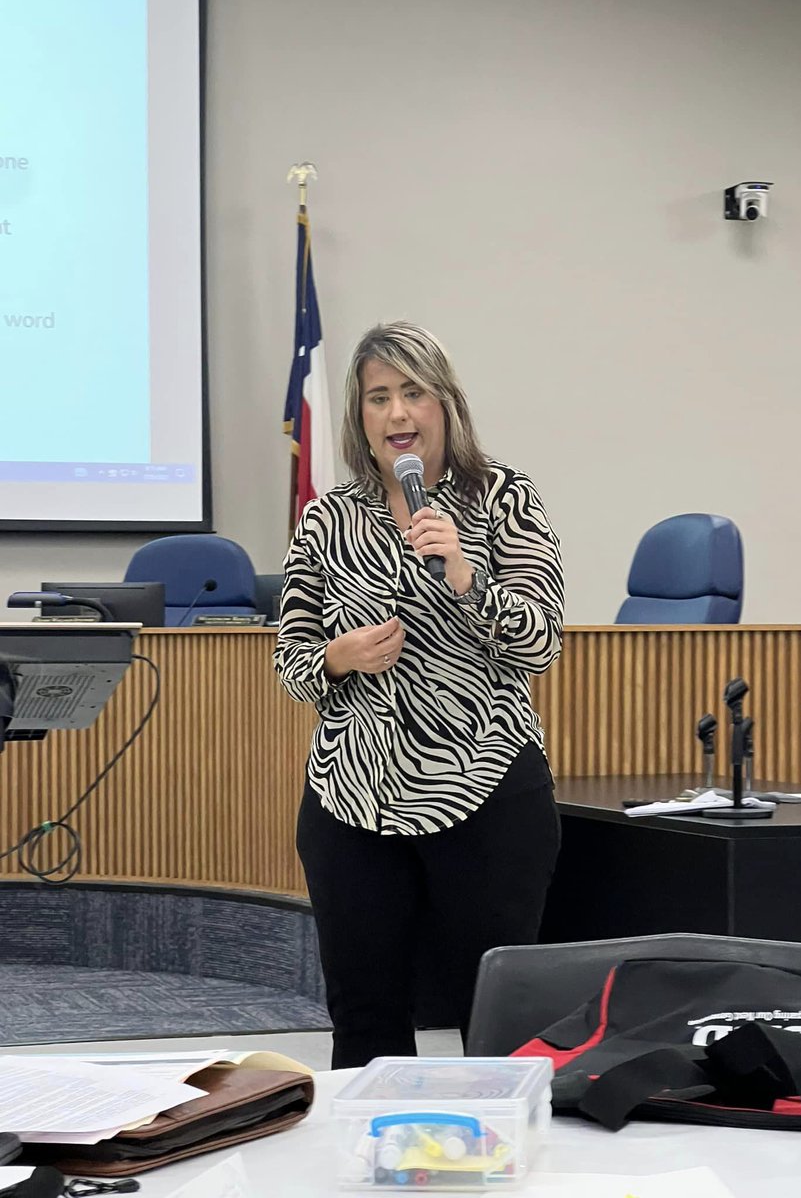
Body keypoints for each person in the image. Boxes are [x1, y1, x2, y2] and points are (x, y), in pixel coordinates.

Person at [274, 321, 565, 1068]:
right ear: (359, 417)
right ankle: (364, 1174)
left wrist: (469, 578)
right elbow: (291, 659)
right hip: (353, 798)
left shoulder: (504, 499)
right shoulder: (328, 517)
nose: (398, 414)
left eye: (414, 393)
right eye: (379, 397)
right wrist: (336, 659)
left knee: (495, 1026)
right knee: (365, 1024)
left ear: (446, 406)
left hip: (485, 789)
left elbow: (540, 641)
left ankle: (504, 1172)